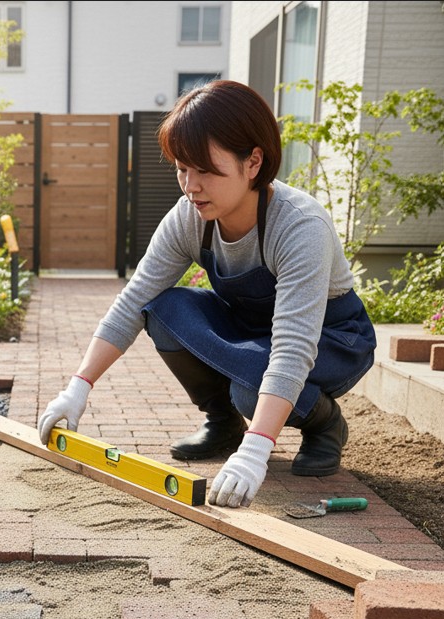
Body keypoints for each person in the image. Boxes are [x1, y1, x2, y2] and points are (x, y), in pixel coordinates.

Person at [37, 79, 376, 509]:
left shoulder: (299, 227)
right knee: (162, 307)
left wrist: (256, 451)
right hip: (254, 332)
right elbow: (134, 298)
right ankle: (223, 424)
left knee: (251, 387)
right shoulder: (190, 216)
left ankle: (325, 425)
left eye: (206, 170)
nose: (189, 185)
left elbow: (292, 346)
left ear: (253, 162)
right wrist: (77, 388)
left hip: (332, 340)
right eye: (182, 168)